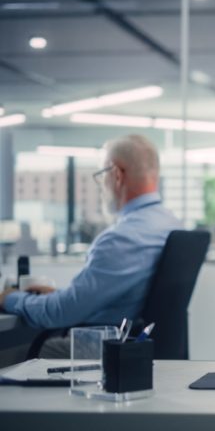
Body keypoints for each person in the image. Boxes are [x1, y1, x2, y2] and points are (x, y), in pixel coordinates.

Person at [0, 134, 182, 357]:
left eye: (101, 175)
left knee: (15, 353)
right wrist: (62, 295)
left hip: (107, 348)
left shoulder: (122, 239)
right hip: (136, 347)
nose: (101, 185)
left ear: (116, 175)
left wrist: (9, 298)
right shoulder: (170, 224)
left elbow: (60, 313)